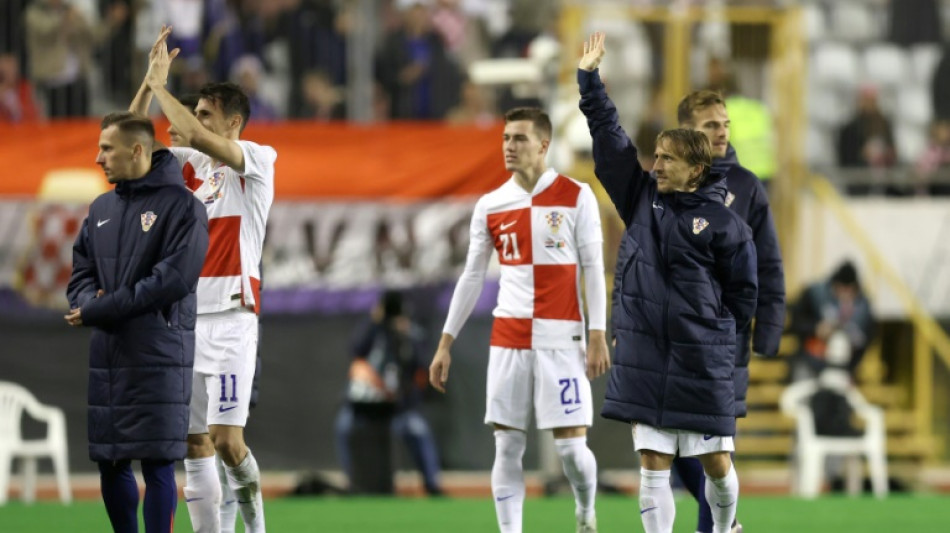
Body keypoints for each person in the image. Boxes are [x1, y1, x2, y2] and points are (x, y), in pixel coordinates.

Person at [578, 33, 758, 533]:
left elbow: (744, 295)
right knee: (652, 464)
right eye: (655, 156)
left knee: (717, 465)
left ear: (696, 170)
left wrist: (717, 335)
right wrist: (590, 84)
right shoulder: (640, 199)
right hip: (646, 354)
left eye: (666, 160)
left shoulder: (726, 223)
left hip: (701, 356)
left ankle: (724, 530)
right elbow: (612, 143)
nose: (655, 165)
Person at [429, 107, 611, 533]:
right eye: (506, 138)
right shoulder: (491, 204)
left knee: (570, 451)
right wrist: (445, 342)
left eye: (520, 139)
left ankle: (585, 511)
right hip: (508, 338)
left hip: (562, 338)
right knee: (507, 447)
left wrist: (598, 333)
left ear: (544, 145)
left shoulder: (576, 195)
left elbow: (593, 268)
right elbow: (472, 276)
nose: (509, 146)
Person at [130, 26, 277, 533]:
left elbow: (188, 133)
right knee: (193, 443)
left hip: (234, 317)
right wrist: (149, 86)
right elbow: (130, 145)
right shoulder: (191, 170)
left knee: (227, 440)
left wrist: (162, 86)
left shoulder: (257, 160)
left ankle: (257, 529)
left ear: (232, 123)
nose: (193, 122)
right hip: (187, 318)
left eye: (206, 114)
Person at [65, 112, 208, 532]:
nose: (98, 158)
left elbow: (173, 281)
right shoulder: (101, 207)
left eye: (107, 148)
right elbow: (80, 271)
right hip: (109, 352)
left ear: (138, 150)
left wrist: (101, 309)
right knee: (110, 461)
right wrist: (87, 300)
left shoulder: (184, 207)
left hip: (160, 351)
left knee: (158, 462)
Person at [651, 88, 784, 533]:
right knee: (669, 447)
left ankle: (715, 528)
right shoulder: (661, 185)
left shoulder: (746, 185)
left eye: (725, 124)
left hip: (721, 340)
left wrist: (763, 328)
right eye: (711, 126)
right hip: (667, 337)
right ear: (689, 131)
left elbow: (766, 263)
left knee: (714, 446)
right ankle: (727, 524)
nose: (722, 133)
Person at [335, 290, 442, 495]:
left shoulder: (411, 333)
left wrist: (405, 334)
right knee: (344, 425)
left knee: (418, 430)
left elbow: (421, 364)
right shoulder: (373, 331)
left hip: (398, 408)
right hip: (367, 406)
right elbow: (356, 349)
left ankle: (432, 486)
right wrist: (374, 321)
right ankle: (354, 483)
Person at [790, 260, 875, 383]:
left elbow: (867, 338)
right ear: (834, 284)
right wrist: (815, 328)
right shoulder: (815, 294)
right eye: (841, 289)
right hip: (810, 361)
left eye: (849, 290)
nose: (845, 294)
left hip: (842, 368)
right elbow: (796, 322)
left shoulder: (862, 307)